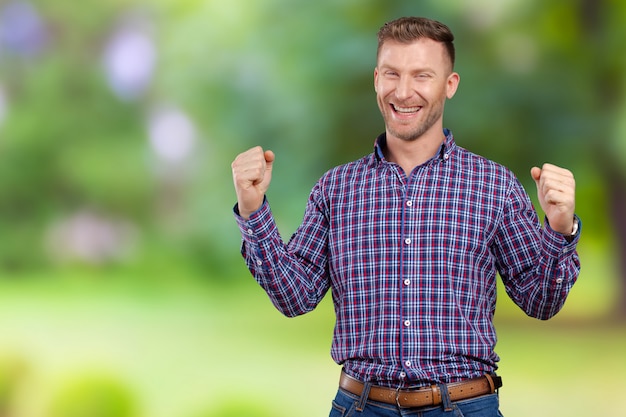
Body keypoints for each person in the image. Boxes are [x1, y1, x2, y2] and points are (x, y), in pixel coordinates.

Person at [231, 16, 580, 417]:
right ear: (376, 79)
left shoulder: (494, 186)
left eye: (422, 75)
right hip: (361, 407)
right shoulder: (336, 189)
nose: (403, 91)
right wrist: (253, 209)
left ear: (449, 85)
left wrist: (559, 227)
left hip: (465, 406)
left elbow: (542, 301)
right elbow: (295, 297)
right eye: (392, 74)